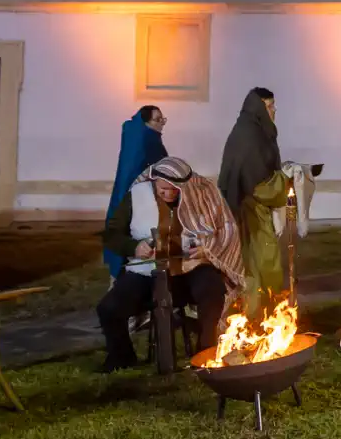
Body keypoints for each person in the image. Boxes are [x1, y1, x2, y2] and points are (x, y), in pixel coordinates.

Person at [96, 156, 245, 372]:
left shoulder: (202, 194)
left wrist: (207, 247)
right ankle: (122, 356)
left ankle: (205, 353)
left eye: (174, 190)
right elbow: (112, 235)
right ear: (154, 181)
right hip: (146, 271)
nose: (168, 194)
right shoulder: (137, 195)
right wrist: (134, 247)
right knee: (108, 308)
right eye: (162, 189)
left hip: (189, 269)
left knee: (212, 290)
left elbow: (226, 230)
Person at [218, 88, 291, 311]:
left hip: (247, 209)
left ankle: (263, 317)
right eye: (269, 106)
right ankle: (258, 320)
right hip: (249, 214)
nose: (274, 110)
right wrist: (287, 179)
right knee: (259, 266)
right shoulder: (250, 136)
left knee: (258, 265)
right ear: (258, 109)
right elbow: (259, 186)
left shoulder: (251, 131)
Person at [103, 106, 168, 277]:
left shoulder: (136, 135)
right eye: (157, 119)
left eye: (163, 119)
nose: (162, 123)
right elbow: (160, 168)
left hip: (128, 192)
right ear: (146, 122)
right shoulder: (148, 139)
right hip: (139, 195)